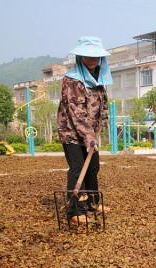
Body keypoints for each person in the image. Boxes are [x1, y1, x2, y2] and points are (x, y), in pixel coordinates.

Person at [57, 36, 112, 224]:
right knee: (78, 167)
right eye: (87, 56)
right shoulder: (72, 79)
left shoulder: (99, 77)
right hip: (71, 132)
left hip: (91, 134)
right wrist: (88, 136)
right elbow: (76, 113)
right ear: (79, 56)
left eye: (95, 56)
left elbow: (103, 104)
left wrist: (101, 124)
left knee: (93, 167)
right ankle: (74, 211)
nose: (91, 59)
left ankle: (92, 202)